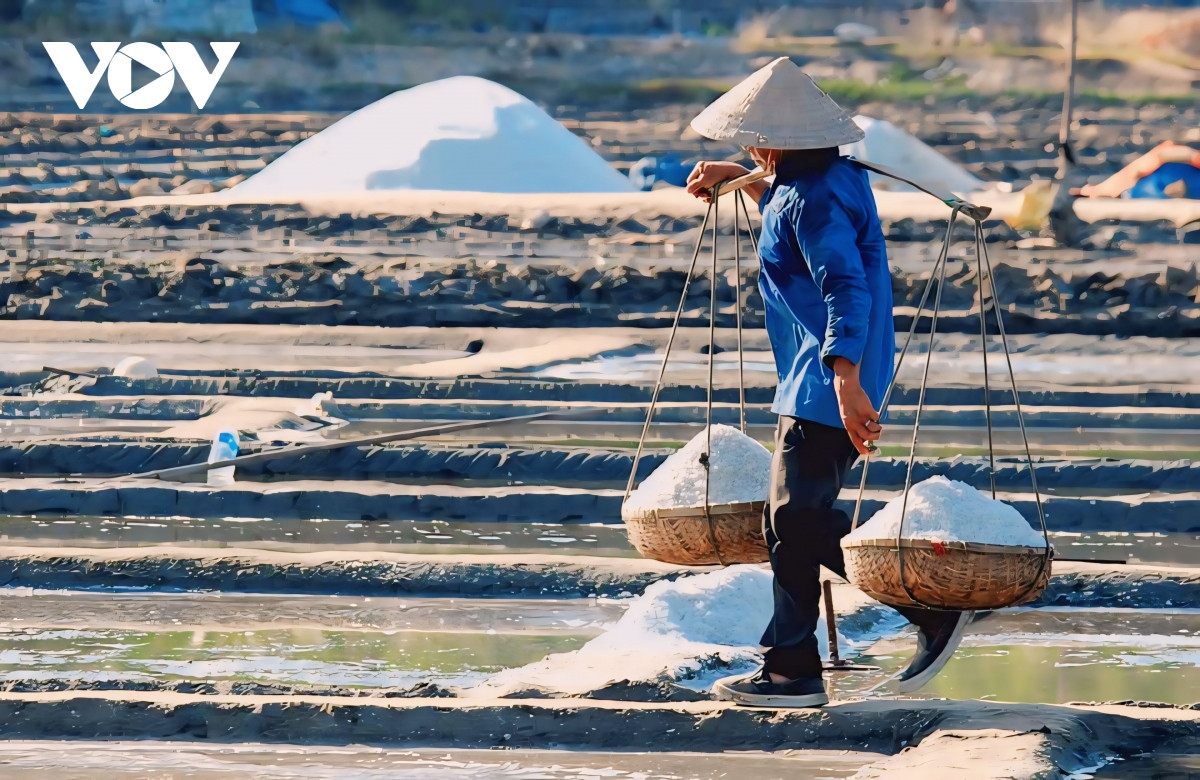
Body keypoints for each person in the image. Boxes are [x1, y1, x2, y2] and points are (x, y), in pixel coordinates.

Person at [684, 57, 971, 708]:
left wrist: (844, 381)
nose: (748, 148)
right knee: (796, 522)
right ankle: (835, 647)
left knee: (792, 522)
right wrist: (744, 181)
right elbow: (791, 215)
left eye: (752, 143)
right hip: (821, 375)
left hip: (827, 379)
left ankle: (800, 668)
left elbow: (845, 286)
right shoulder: (824, 180)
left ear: (773, 141)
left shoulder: (811, 198)